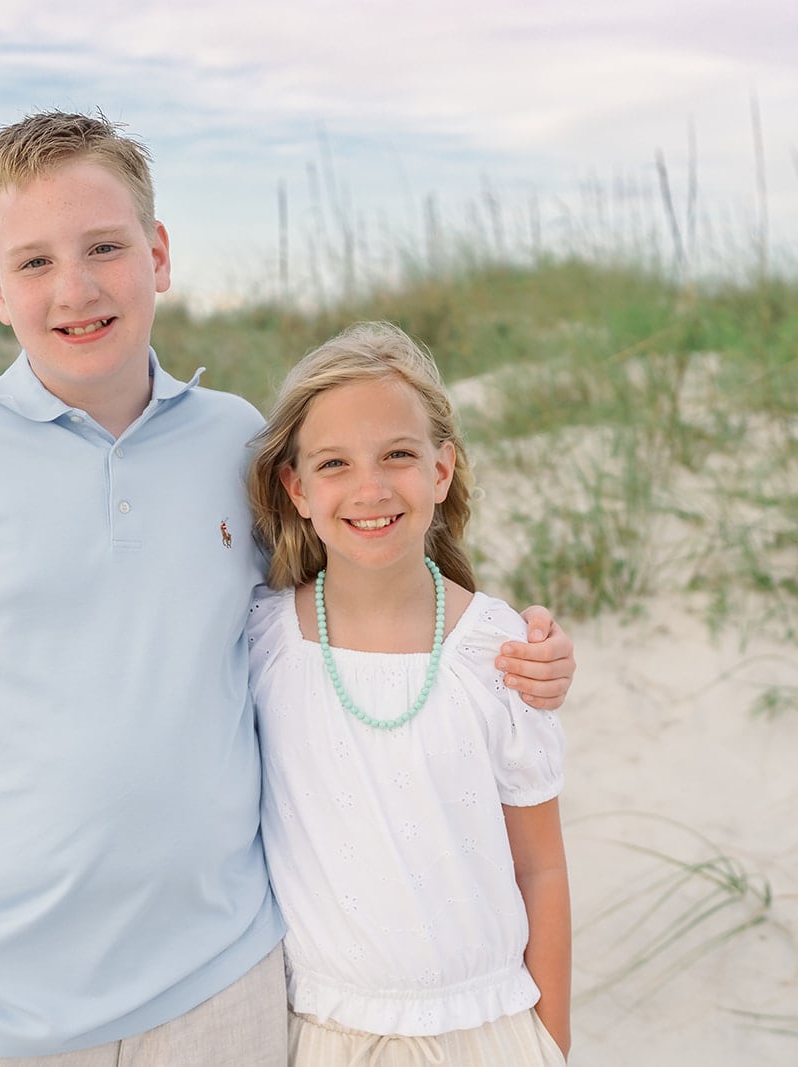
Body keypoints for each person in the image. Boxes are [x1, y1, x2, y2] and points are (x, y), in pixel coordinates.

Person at [0, 111, 577, 1066]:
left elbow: (349, 591)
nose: (77, 287)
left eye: (104, 247)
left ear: (159, 254)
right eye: (35, 261)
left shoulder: (234, 440)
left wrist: (510, 651)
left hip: (229, 982)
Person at [245, 321, 571, 1066]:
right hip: (318, 1030)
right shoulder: (261, 641)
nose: (370, 487)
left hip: (487, 1030)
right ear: (295, 486)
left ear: (441, 470)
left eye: (398, 454)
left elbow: (541, 867)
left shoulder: (501, 651)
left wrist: (549, 1040)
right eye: (334, 463)